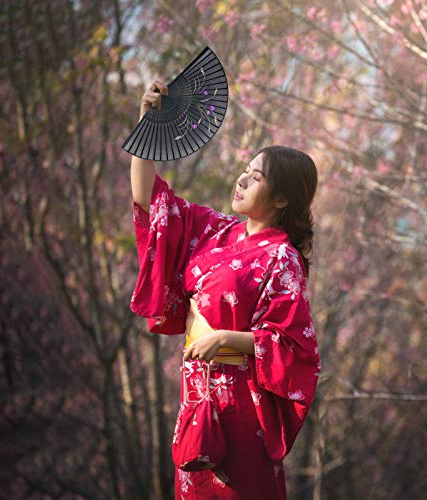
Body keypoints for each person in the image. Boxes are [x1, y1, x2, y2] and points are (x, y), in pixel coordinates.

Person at [130, 80, 321, 499]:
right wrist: (149, 124)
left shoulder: (282, 259)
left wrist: (226, 339)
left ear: (283, 199)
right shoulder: (214, 231)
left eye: (256, 178)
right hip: (196, 397)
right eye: (245, 171)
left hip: (241, 407)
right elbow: (150, 201)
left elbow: (296, 349)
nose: (242, 180)